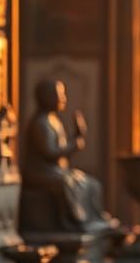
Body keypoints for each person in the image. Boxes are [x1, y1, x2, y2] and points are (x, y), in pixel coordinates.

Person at [21, 78, 111, 233]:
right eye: (59, 94)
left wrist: (76, 137)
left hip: (55, 170)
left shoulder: (53, 121)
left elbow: (59, 149)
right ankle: (76, 221)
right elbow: (50, 152)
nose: (63, 98)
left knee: (90, 183)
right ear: (46, 97)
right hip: (40, 172)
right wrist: (73, 146)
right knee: (67, 183)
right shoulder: (39, 123)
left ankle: (95, 217)